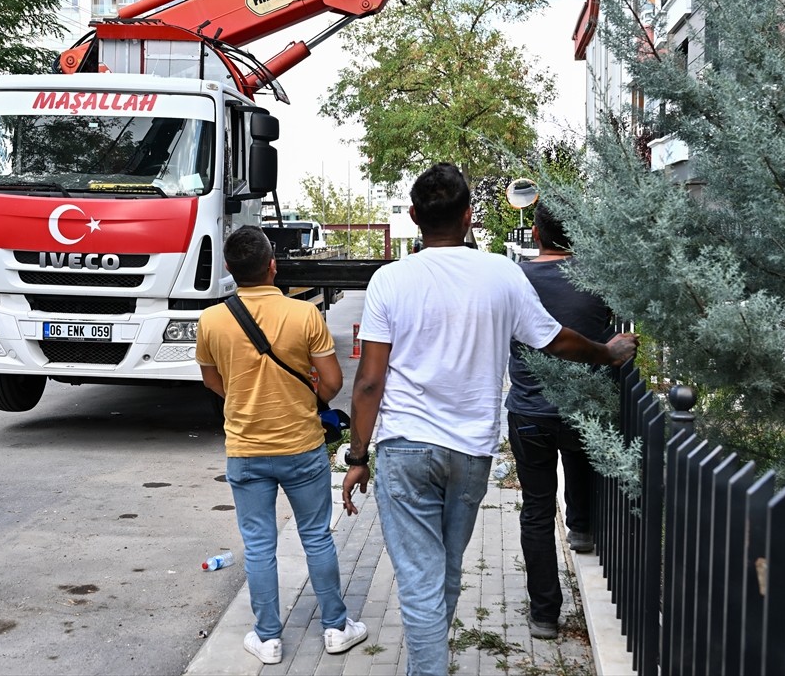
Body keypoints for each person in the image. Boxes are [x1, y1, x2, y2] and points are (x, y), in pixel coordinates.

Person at [341, 163, 638, 676]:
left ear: (413, 217)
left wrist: (357, 454)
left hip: (405, 447)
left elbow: (369, 381)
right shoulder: (501, 273)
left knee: (420, 579)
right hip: (471, 450)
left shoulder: (389, 280)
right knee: (445, 573)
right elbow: (555, 339)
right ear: (468, 216)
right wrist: (607, 353)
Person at [196, 225, 367, 666]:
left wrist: (245, 397)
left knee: (258, 546)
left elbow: (213, 381)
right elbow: (331, 383)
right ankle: (335, 627)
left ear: (230, 271)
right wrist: (304, 398)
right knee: (316, 536)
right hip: (302, 446)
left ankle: (268, 637)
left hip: (246, 449)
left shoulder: (211, 320)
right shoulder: (304, 315)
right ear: (273, 266)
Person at [505, 201, 609, 640]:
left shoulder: (516, 280)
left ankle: (545, 612)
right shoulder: (598, 278)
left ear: (536, 233)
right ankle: (582, 528)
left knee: (536, 508)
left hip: (530, 409)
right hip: (584, 403)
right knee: (581, 458)